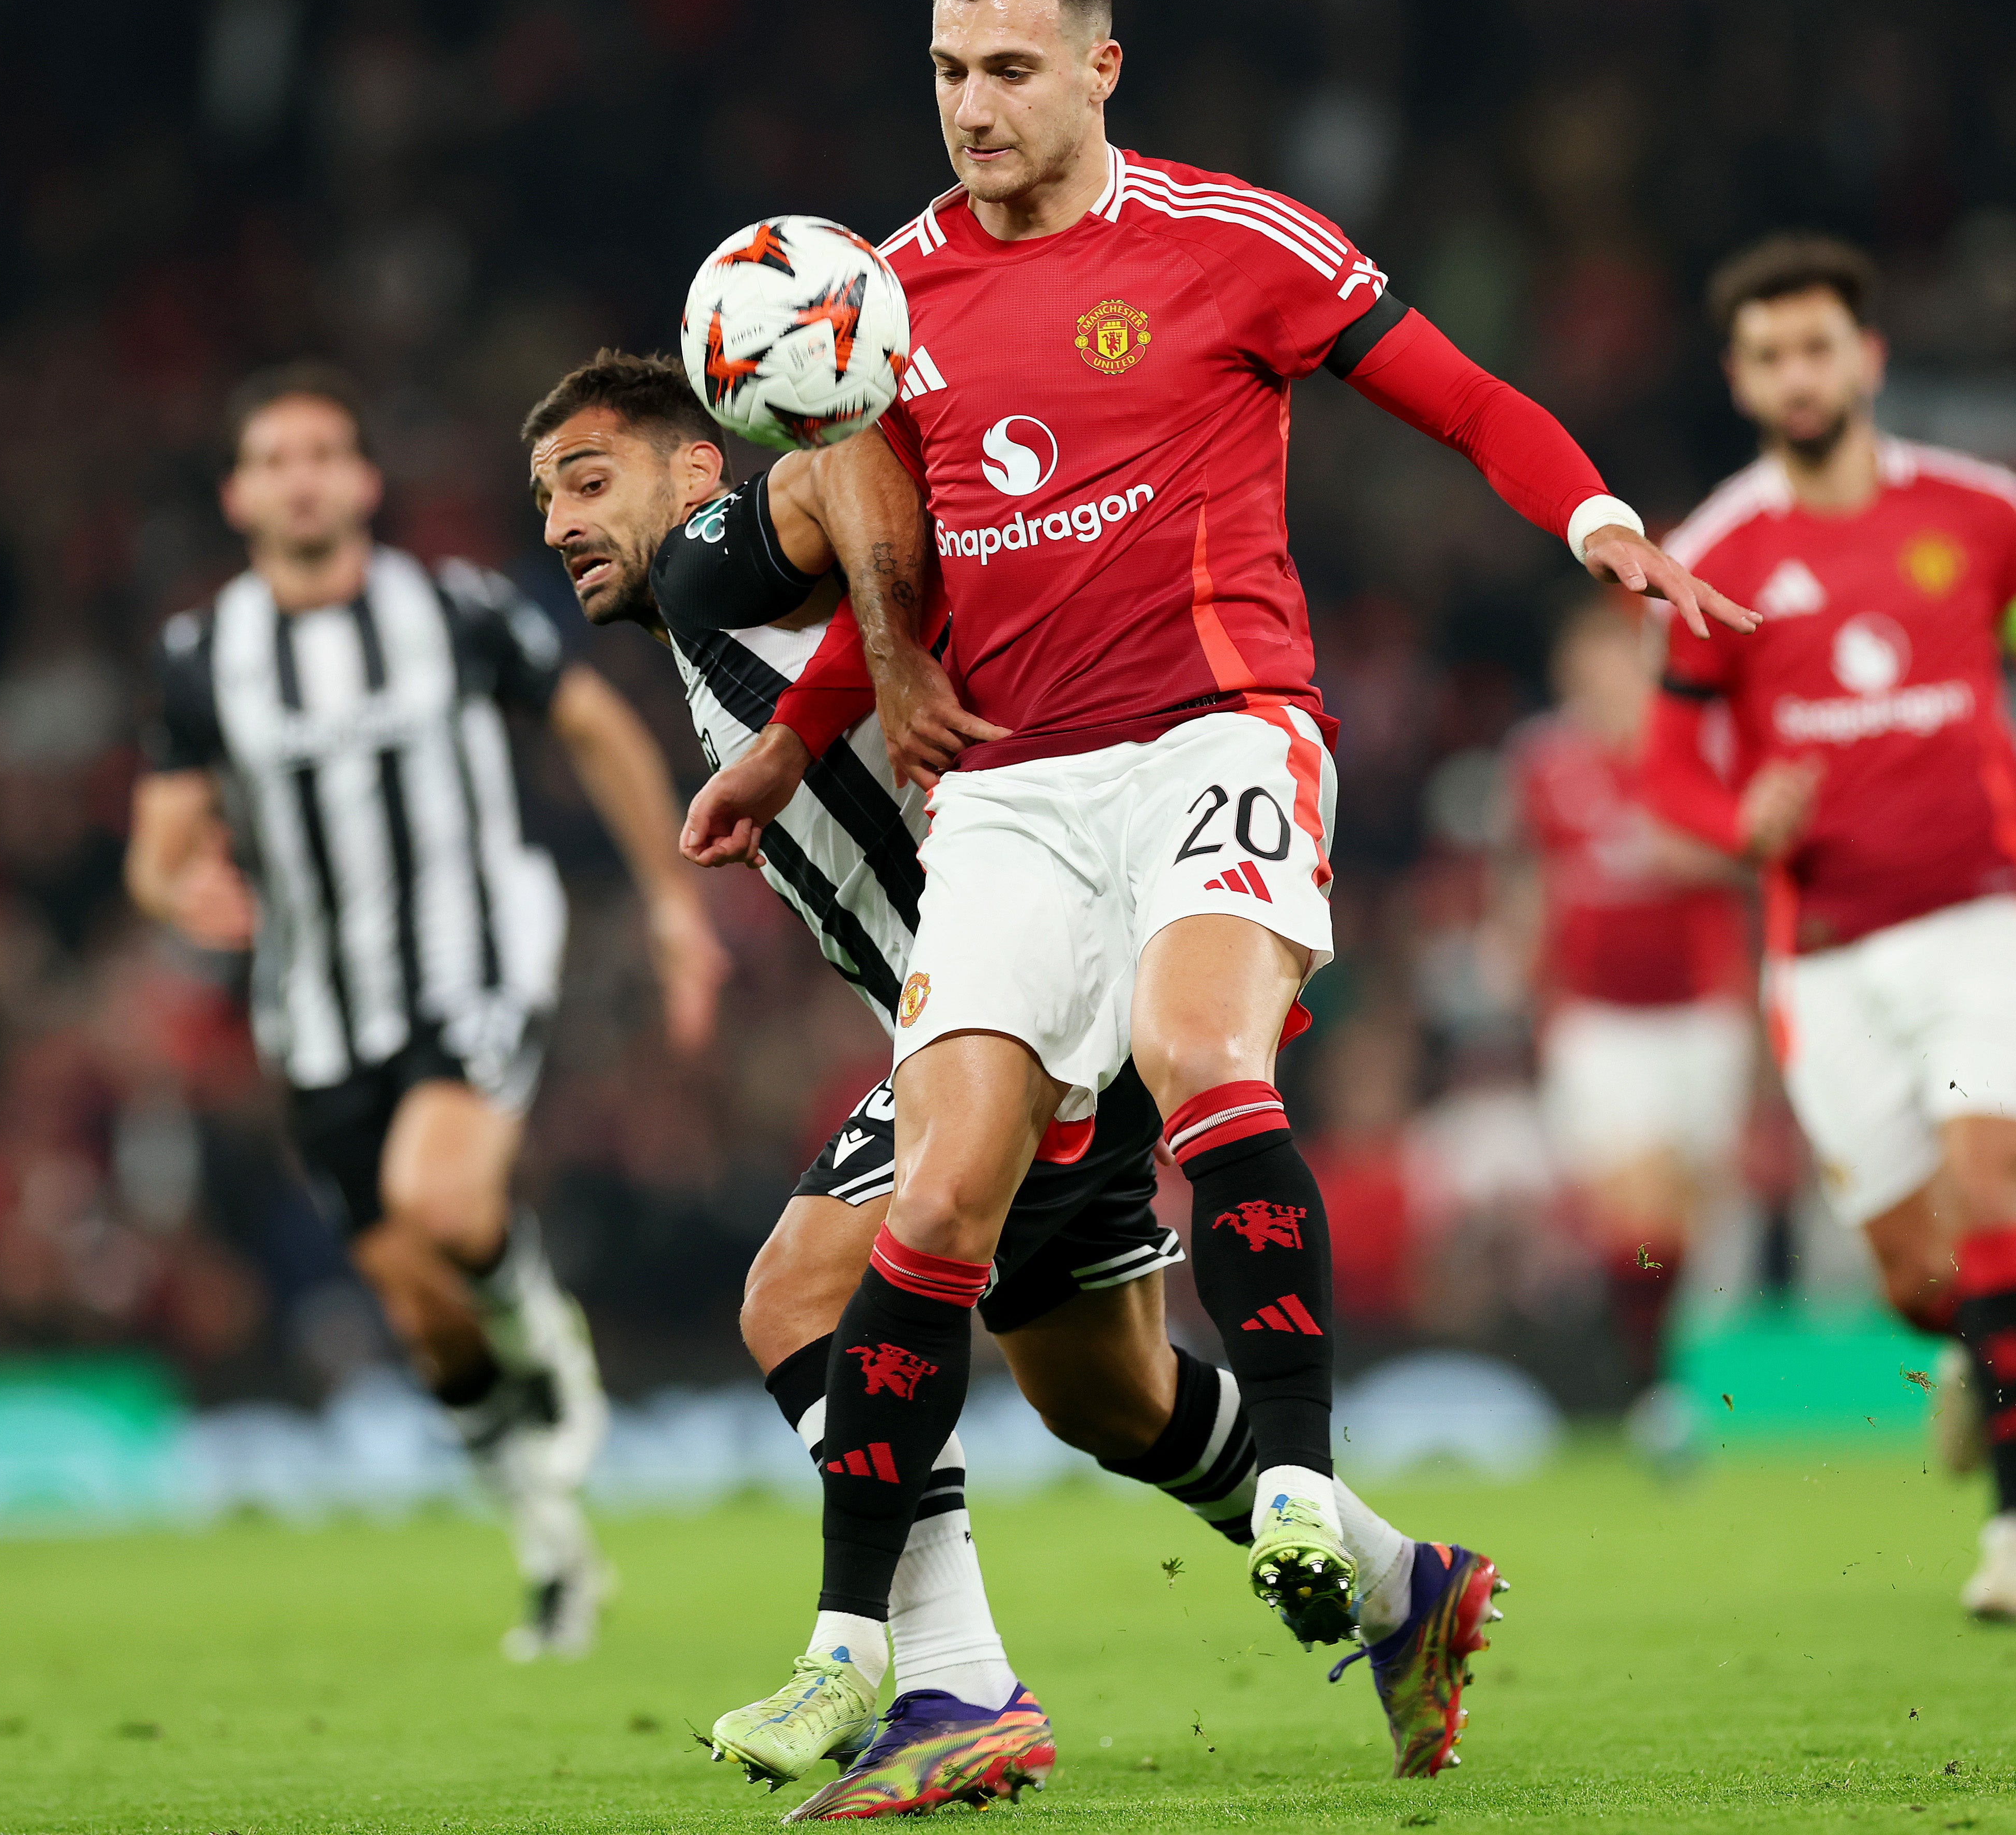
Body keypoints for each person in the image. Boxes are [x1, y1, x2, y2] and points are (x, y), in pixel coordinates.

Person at [682, 0, 1749, 1779]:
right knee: (933, 1204)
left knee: (1197, 1051)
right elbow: (926, 564)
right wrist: (791, 740)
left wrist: (1588, 515)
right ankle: (855, 1641)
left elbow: (1463, 396)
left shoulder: (1224, 239)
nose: (971, 108)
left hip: (1212, 731)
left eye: (1009, 69)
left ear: (1099, 66)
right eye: (945, 72)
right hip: (1008, 791)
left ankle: (1302, 1482)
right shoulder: (893, 294)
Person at [523, 349, 1473, 1809]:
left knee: (796, 1296)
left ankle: (956, 1682)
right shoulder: (703, 635)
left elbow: (848, 459)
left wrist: (892, 665)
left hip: (1037, 1002)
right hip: (1030, 999)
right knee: (1110, 1397)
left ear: (696, 473)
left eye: (591, 482)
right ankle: (1407, 1585)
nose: (560, 523)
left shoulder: (735, 558)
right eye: (543, 499)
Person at [126, 361, 730, 1661]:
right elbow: (157, 842)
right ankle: (553, 1546)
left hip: (476, 955)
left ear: (361, 481)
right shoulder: (204, 657)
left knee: (443, 1199)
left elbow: (596, 730)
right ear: (240, 493)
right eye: (274, 457)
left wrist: (673, 905)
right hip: (318, 1009)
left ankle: (547, 1334)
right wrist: (189, 887)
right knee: (415, 1297)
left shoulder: (450, 611)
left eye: (322, 453)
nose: (300, 476)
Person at [1637, 234, 2016, 1622]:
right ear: (1739, 379)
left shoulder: (1987, 513)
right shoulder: (1713, 555)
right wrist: (1735, 827)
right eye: (1769, 355)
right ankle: (1982, 1360)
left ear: (1868, 357)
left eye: (1819, 345)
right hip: (1824, 958)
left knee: (1992, 1172)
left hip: (1983, 922)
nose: (1798, 373)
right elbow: (1664, 772)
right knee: (1914, 1278)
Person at [1497, 599, 1755, 1461]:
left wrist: (1693, 851)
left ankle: (1683, 1379)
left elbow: (1747, 848)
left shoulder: (1696, 748)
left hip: (1700, 1007)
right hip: (1595, 1018)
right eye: (1591, 662)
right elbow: (1530, 872)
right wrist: (1520, 963)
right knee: (1632, 1212)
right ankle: (1651, 1389)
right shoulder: (1543, 761)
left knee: (1693, 1207)